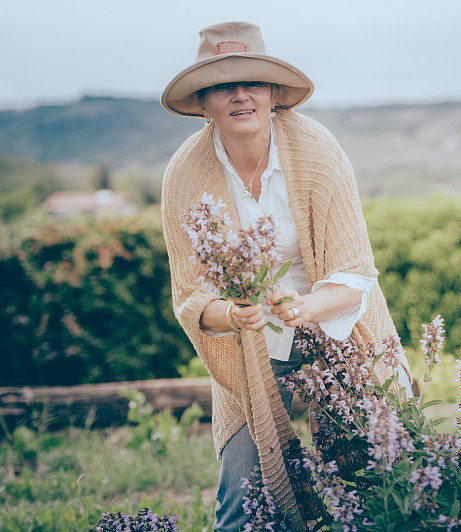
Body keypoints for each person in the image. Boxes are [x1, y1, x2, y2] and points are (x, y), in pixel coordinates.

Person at [159, 21, 414, 531]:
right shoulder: (185, 175)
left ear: (274, 94)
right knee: (244, 504)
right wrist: (233, 312)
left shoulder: (317, 152)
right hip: (251, 351)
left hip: (339, 336)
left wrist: (304, 309)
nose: (239, 95)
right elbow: (190, 298)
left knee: (377, 486)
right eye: (221, 86)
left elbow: (356, 275)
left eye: (252, 81)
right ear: (203, 103)